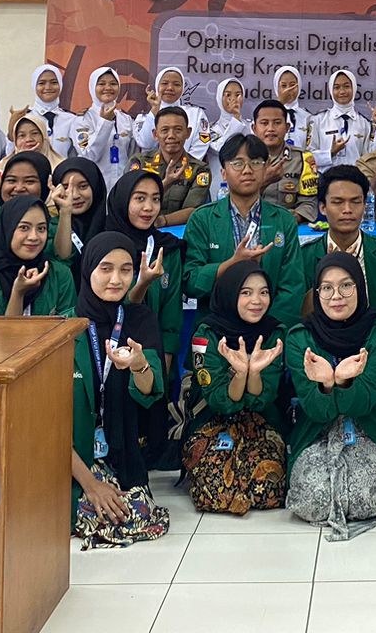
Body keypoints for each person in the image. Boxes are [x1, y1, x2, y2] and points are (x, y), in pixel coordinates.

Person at [284, 253, 376, 539]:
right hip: (317, 431)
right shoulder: (300, 338)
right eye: (326, 287)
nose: (336, 296)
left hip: (368, 429)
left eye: (346, 285)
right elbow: (315, 410)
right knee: (311, 500)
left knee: (367, 498)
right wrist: (325, 385)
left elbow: (365, 403)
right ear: (317, 292)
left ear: (360, 287)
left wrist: (344, 382)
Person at [69, 232, 170, 548]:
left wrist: (139, 365)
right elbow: (44, 425)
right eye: (106, 268)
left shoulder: (139, 320)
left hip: (122, 457)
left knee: (136, 513)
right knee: (95, 511)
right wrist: (91, 484)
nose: (116, 279)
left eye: (126, 270)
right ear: (88, 269)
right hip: (72, 461)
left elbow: (150, 390)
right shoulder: (64, 327)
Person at [182, 261, 289, 515]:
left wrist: (254, 373)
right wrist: (240, 374)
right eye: (246, 292)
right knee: (215, 493)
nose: (257, 301)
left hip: (260, 419)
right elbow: (218, 400)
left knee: (268, 490)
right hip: (212, 418)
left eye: (264, 292)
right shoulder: (205, 333)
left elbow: (262, 399)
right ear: (229, 293)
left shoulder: (274, 333)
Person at [182, 132, 305, 325]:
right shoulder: (202, 219)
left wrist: (269, 328)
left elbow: (293, 286)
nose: (247, 170)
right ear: (223, 172)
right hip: (216, 328)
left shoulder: (284, 220)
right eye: (238, 163)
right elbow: (190, 282)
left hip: (270, 329)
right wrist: (231, 263)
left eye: (255, 163)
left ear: (265, 169)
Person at [302, 165, 376, 315]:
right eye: (338, 202)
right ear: (323, 208)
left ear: (364, 205)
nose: (347, 210)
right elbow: (297, 312)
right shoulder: (304, 257)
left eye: (355, 201)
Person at [102, 170, 185, 362]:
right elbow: (112, 310)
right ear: (123, 200)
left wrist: (163, 368)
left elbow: (170, 319)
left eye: (155, 199)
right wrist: (143, 284)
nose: (149, 207)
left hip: (154, 355)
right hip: (108, 353)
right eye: (140, 198)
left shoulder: (167, 249)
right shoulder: (103, 247)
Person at [0, 195, 77, 316]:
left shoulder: (59, 275)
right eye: (24, 228)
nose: (34, 237)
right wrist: (18, 294)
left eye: (41, 228)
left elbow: (69, 326)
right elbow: (3, 329)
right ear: (6, 229)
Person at [137, 107, 212, 226]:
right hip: (140, 229)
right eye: (165, 130)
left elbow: (193, 210)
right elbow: (131, 200)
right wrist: (165, 183)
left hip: (181, 232)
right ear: (155, 134)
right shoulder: (140, 162)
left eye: (178, 130)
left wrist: (161, 221)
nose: (171, 136)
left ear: (188, 133)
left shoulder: (199, 170)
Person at [253, 99, 319, 223]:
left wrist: (293, 218)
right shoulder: (244, 159)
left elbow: (309, 203)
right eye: (264, 123)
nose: (271, 128)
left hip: (289, 225)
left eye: (277, 123)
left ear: (287, 127)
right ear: (254, 128)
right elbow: (236, 200)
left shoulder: (303, 159)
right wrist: (264, 181)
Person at [67, 67, 136, 186]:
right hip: (94, 186)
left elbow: (133, 156)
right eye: (101, 84)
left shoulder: (126, 119)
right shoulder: (82, 120)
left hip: (122, 186)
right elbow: (88, 155)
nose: (108, 88)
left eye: (113, 84)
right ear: (92, 87)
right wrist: (105, 122)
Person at [309, 68, 376, 168]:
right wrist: (330, 153)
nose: (342, 91)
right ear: (331, 90)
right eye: (336, 87)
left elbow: (370, 157)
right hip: (326, 176)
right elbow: (308, 157)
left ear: (354, 88)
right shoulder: (318, 120)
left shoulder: (364, 123)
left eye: (346, 86)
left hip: (355, 176)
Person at [139, 66, 210, 160]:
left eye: (176, 84)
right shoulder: (144, 117)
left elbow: (202, 143)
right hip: (152, 168)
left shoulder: (196, 114)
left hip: (188, 167)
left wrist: (183, 164)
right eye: (165, 83)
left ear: (183, 88)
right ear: (157, 86)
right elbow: (146, 144)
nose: (170, 88)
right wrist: (155, 109)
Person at [53, 156, 109, 265]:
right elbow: (62, 258)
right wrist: (65, 212)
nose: (75, 195)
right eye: (66, 187)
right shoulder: (50, 227)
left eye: (83, 186)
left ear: (96, 187)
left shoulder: (111, 226)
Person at [206, 76, 251, 172]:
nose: (233, 99)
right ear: (219, 97)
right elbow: (219, 149)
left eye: (238, 95)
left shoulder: (251, 126)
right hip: (218, 177)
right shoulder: (210, 129)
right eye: (228, 95)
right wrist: (236, 121)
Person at [26, 63, 72, 146]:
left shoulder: (71, 119)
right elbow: (10, 151)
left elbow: (83, 150)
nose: (48, 87)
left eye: (54, 82)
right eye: (42, 83)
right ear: (34, 86)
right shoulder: (25, 118)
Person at [272, 65, 313, 149]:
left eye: (292, 85)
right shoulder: (267, 114)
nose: (288, 89)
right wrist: (280, 103)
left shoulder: (307, 117)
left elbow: (311, 147)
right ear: (276, 87)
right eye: (284, 86)